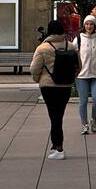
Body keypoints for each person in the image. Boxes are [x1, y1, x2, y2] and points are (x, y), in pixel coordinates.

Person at [31, 19, 79, 160]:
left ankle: (58, 147)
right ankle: (57, 146)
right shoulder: (70, 46)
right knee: (59, 115)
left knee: (54, 116)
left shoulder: (43, 48)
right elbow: (79, 66)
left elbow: (34, 68)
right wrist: (70, 77)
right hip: (65, 86)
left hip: (48, 86)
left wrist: (37, 79)